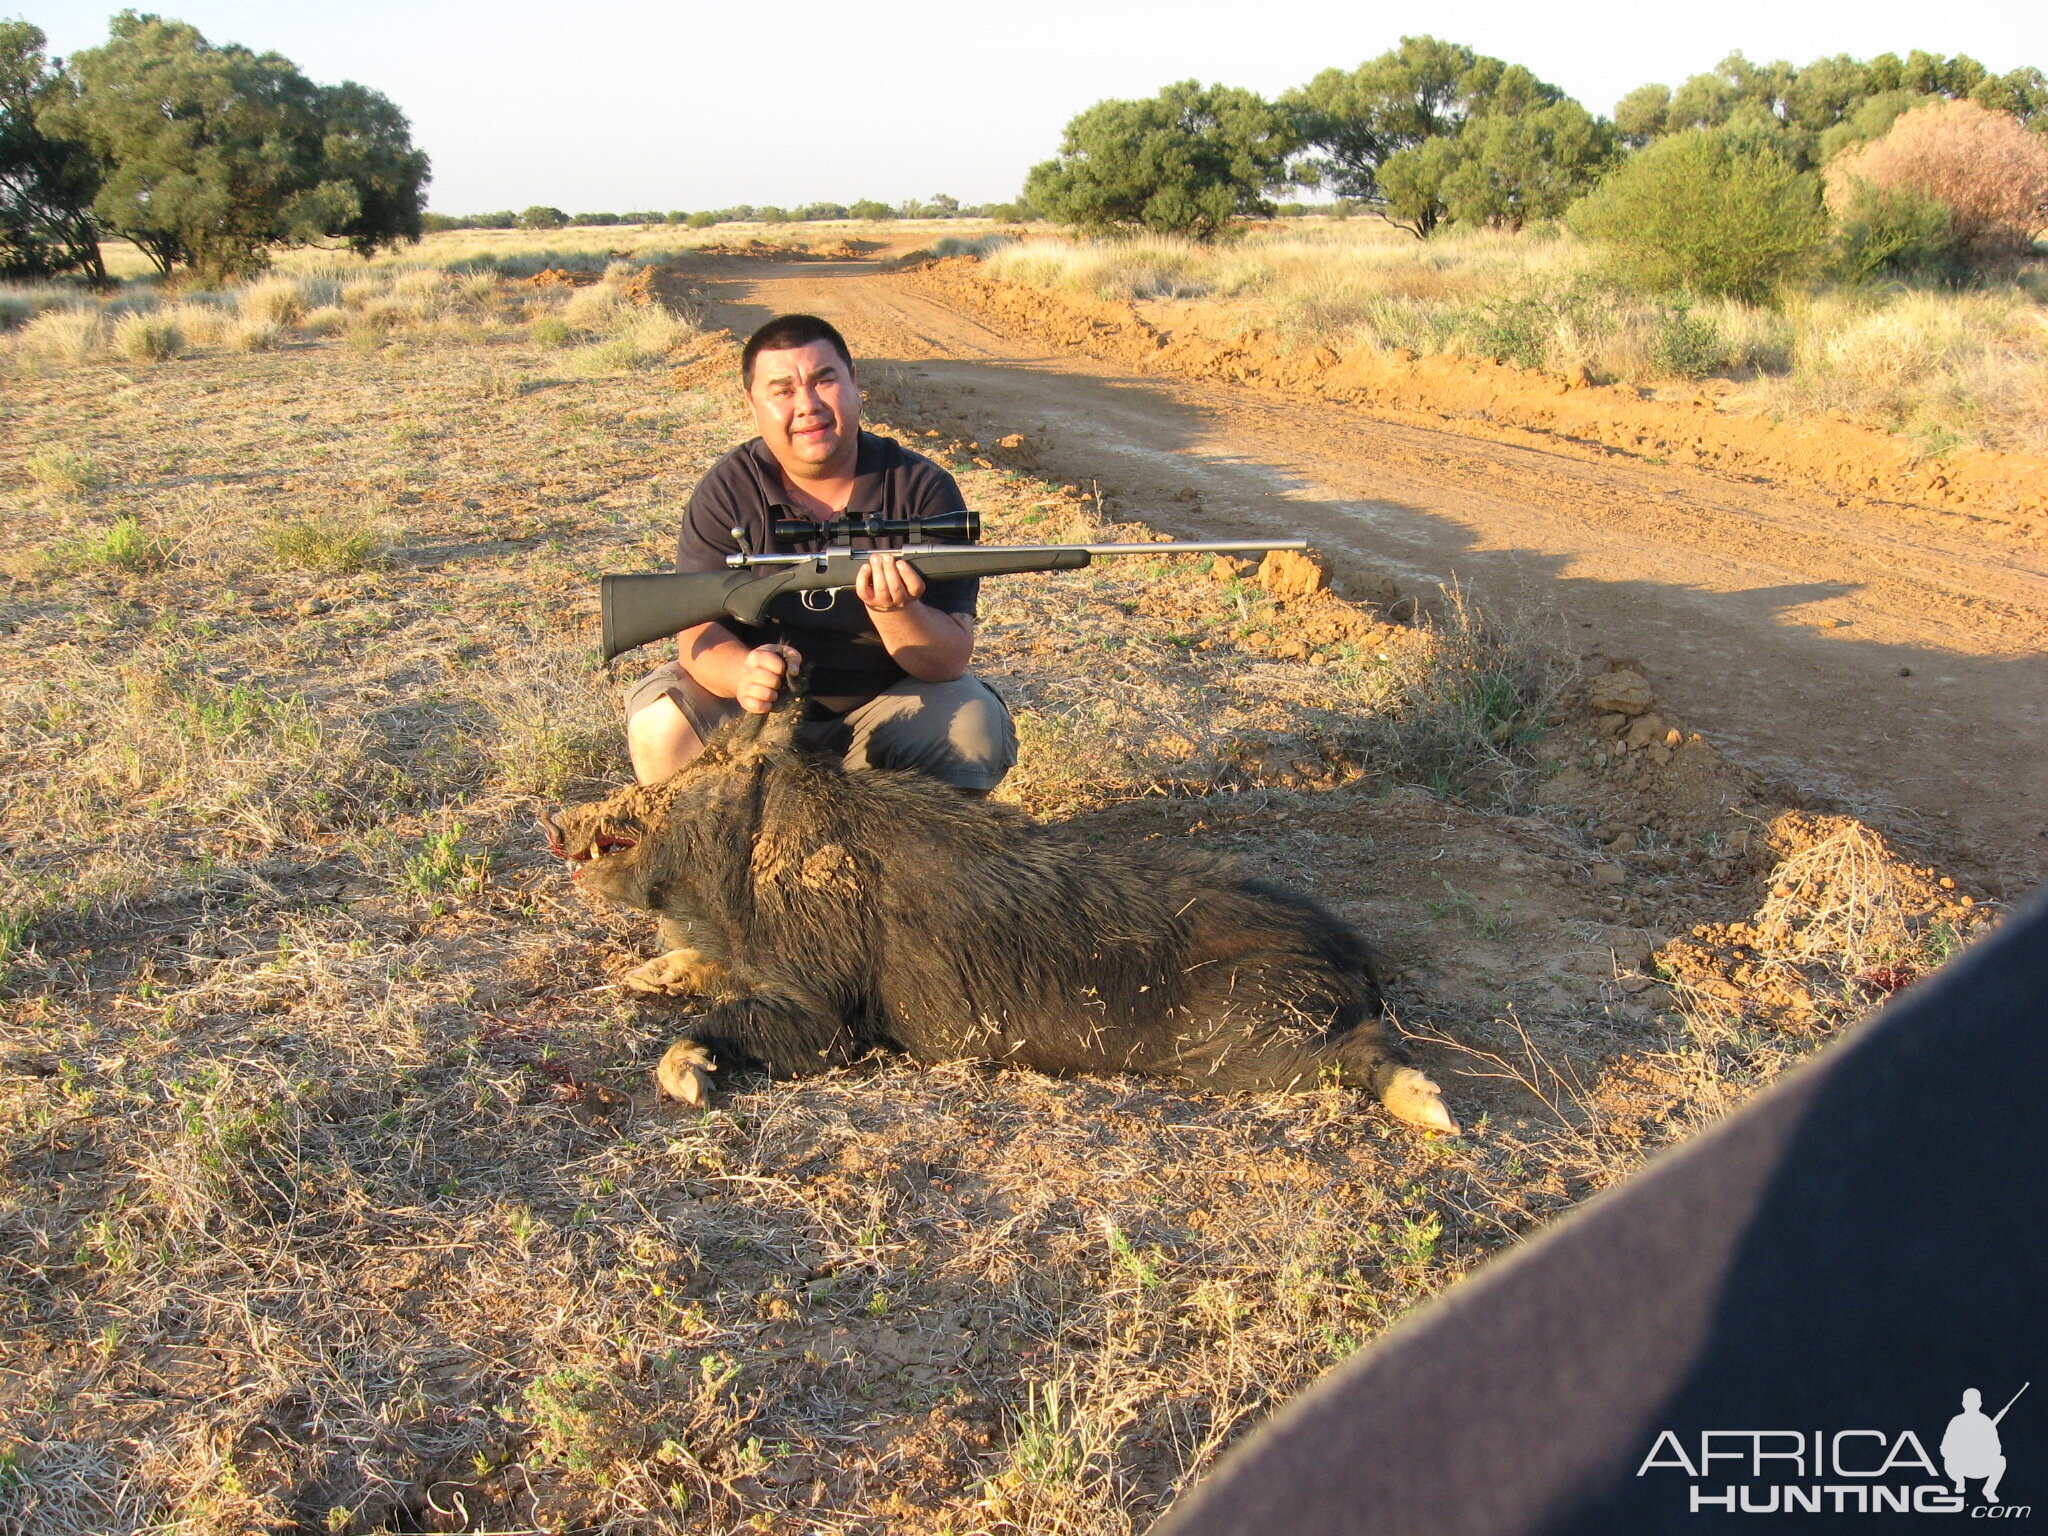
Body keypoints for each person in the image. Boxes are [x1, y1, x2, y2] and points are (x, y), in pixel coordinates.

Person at [619, 312, 1016, 989]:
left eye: (824, 379)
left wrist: (897, 612)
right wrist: (740, 671)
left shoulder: (921, 491)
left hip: (879, 723)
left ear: (855, 386)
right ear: (752, 404)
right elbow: (695, 634)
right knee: (661, 722)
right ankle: (698, 921)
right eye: (782, 389)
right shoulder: (728, 490)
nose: (807, 405)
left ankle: (917, 904)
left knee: (973, 724)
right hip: (762, 728)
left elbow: (947, 660)